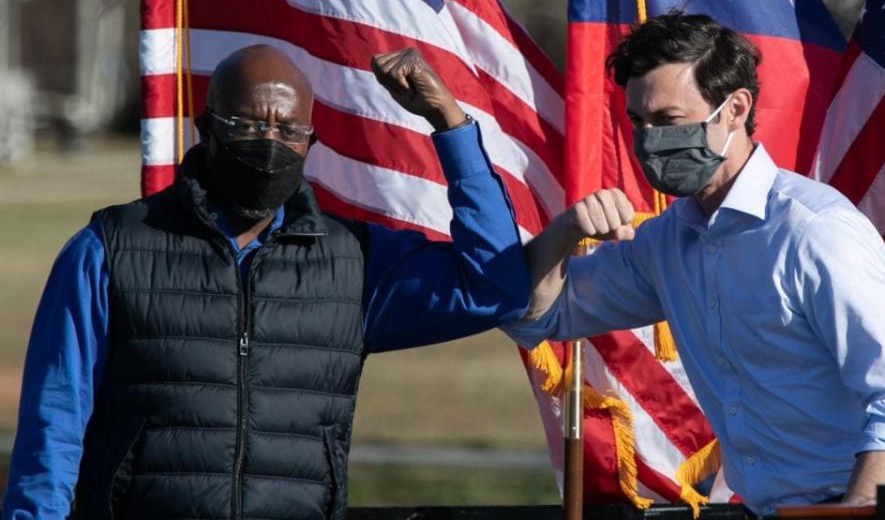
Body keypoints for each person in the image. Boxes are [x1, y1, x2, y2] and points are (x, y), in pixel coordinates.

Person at [2, 45, 529, 520]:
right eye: (247, 125)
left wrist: (448, 121)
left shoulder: (353, 261)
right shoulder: (109, 249)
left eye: (289, 131)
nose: (270, 143)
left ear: (310, 142)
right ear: (205, 127)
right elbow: (54, 426)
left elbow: (493, 286)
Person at [503, 11, 885, 516]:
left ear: (735, 109)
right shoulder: (664, 242)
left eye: (667, 121)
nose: (648, 140)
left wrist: (854, 509)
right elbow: (536, 317)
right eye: (638, 123)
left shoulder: (814, 231)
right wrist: (564, 232)